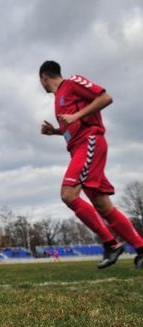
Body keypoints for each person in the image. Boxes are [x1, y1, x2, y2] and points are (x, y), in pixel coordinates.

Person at [39, 60, 143, 269]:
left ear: (44, 77)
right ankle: (141, 248)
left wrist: (75, 115)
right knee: (103, 206)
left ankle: (111, 244)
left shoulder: (72, 83)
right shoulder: (58, 98)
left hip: (89, 143)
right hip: (79, 148)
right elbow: (73, 125)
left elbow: (106, 97)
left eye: (40, 81)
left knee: (68, 195)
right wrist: (57, 132)